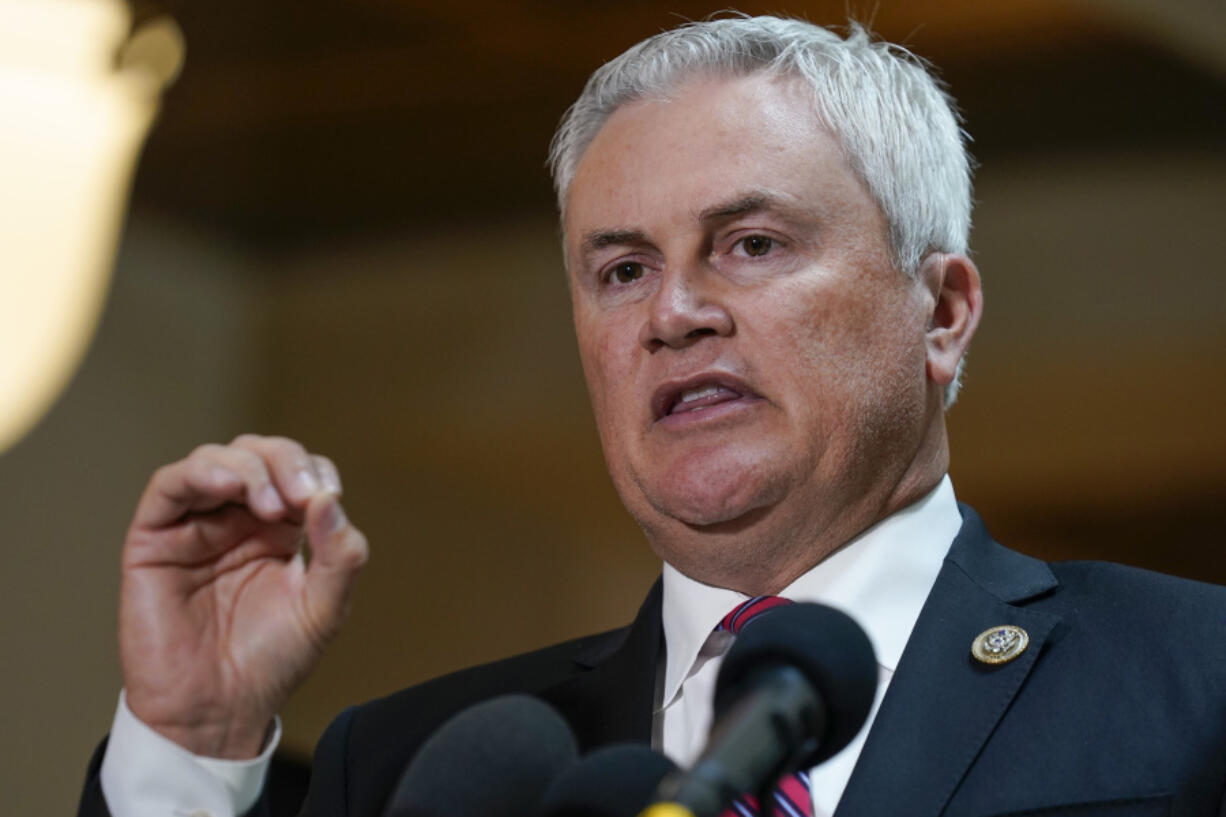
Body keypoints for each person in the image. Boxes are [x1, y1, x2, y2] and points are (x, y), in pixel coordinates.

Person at [78, 15, 1226, 817]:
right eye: (621, 269)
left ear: (941, 308)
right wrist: (194, 741)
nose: (672, 313)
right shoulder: (419, 769)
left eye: (751, 244)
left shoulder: (1189, 676)